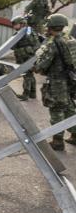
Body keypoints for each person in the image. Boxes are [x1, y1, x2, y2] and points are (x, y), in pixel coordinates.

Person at [33, 13, 76, 151]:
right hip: (71, 80)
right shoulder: (71, 40)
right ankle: (75, 136)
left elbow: (41, 67)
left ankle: (57, 141)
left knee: (57, 110)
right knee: (70, 108)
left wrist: (38, 60)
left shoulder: (53, 44)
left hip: (57, 83)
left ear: (51, 27)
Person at [10, 15, 39, 101]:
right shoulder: (26, 31)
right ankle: (33, 93)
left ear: (22, 24)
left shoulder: (26, 32)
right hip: (27, 56)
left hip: (26, 57)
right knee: (30, 75)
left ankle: (25, 94)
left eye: (15, 24)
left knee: (27, 75)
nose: (14, 26)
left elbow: (13, 45)